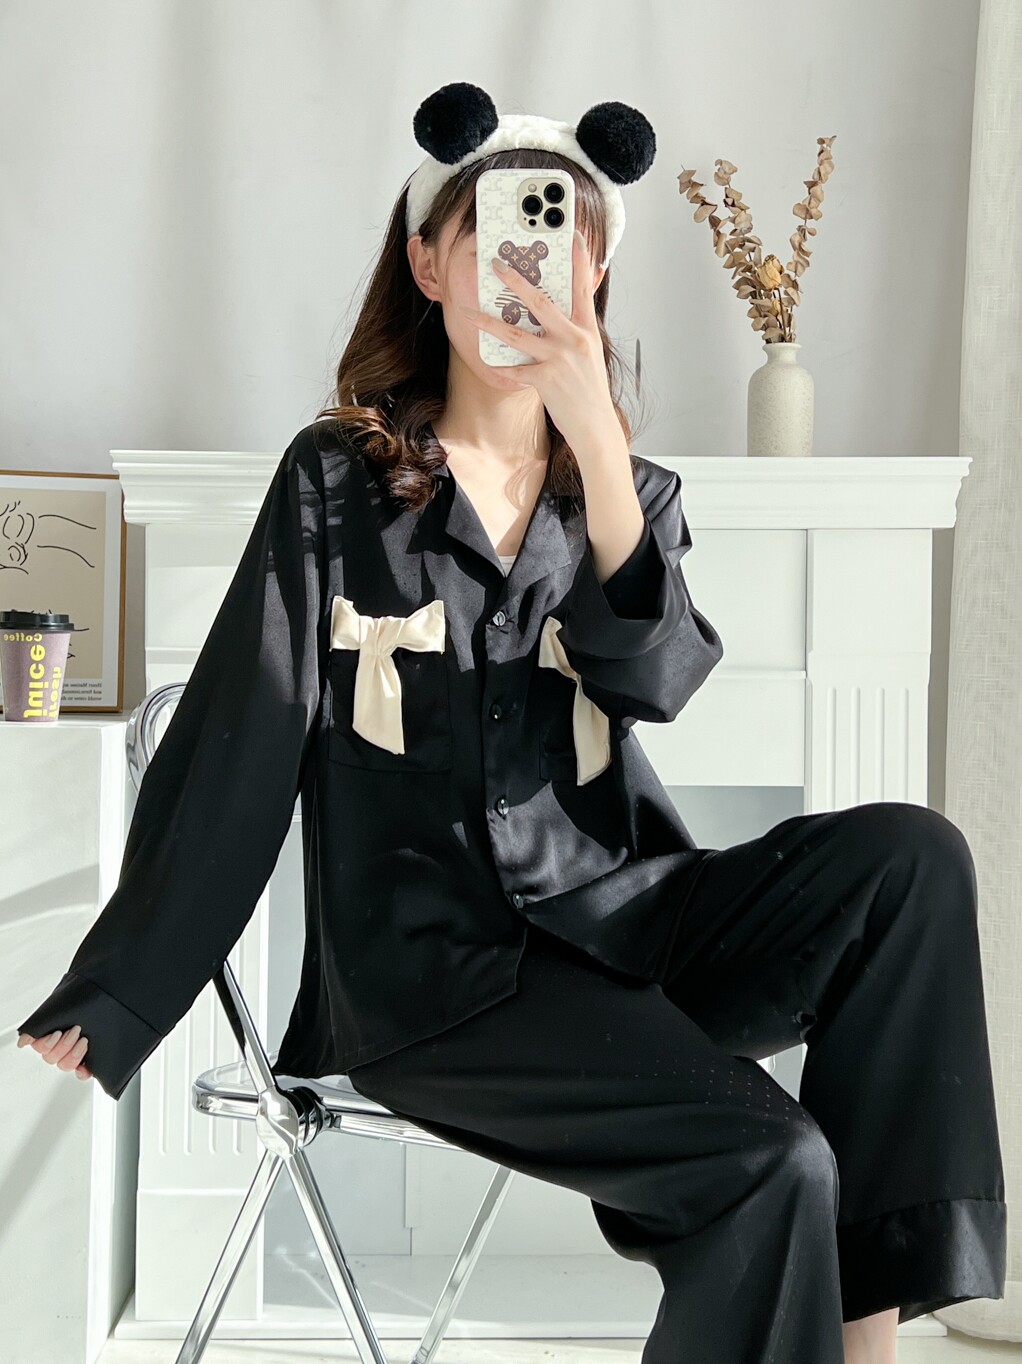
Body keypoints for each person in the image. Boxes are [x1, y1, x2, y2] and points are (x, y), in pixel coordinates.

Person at [17, 82, 1005, 1363]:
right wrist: (122, 985)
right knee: (772, 1157)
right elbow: (239, 733)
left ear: (592, 275)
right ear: (429, 263)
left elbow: (655, 681)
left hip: (628, 922)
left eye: (554, 246)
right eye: (489, 240)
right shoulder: (337, 481)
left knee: (911, 857)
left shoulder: (626, 493)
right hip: (435, 980)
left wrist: (597, 442)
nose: (520, 273)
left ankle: (865, 1343)